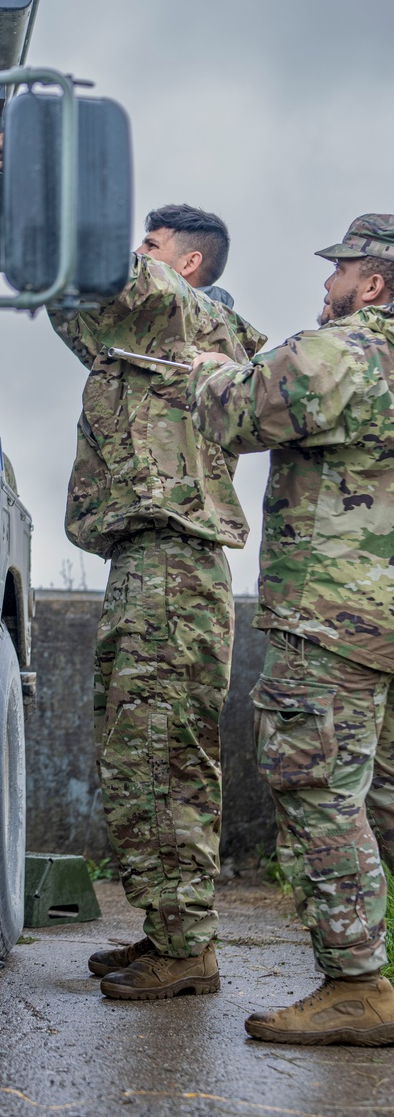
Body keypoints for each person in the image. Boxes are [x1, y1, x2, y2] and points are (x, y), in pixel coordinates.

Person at [188, 213, 394, 1044]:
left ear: (372, 282)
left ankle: (356, 986)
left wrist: (210, 372)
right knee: (384, 800)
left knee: (317, 791)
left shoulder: (346, 350)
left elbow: (239, 415)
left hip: (336, 620)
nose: (329, 284)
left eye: (341, 271)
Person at [51, 204, 265, 999]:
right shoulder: (146, 335)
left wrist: (54, 176)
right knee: (138, 749)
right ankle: (167, 929)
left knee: (162, 753)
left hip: (174, 562)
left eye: (152, 244)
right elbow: (71, 303)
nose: (138, 253)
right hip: (148, 560)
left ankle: (187, 949)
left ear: (190, 266)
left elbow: (113, 272)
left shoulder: (195, 321)